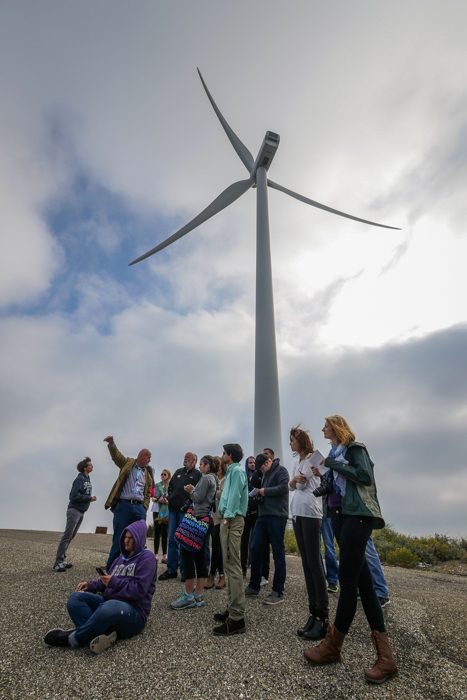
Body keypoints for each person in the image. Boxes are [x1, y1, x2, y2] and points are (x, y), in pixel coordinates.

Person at [304, 415, 397, 685]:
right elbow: (331, 486)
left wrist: (331, 463)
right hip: (340, 516)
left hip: (358, 516)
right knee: (364, 585)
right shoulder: (333, 454)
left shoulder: (355, 449)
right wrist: (319, 476)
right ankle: (386, 658)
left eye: (325, 425)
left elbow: (364, 476)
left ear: (336, 427)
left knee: (348, 581)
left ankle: (333, 647)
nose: (322, 429)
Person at [44, 520, 157, 654]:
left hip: (133, 613)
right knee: (75, 599)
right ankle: (102, 635)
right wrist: (90, 585)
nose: (126, 541)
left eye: (131, 538)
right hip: (109, 605)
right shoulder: (119, 559)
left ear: (139, 539)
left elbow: (139, 590)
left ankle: (72, 638)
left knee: (109, 607)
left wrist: (113, 582)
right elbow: (107, 580)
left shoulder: (147, 558)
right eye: (125, 537)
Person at [288, 426, 329, 639]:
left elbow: (327, 479)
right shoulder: (298, 462)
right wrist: (295, 480)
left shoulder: (315, 457)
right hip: (297, 513)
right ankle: (313, 613)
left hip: (312, 513)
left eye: (293, 440)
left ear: (302, 440)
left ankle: (323, 617)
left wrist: (313, 477)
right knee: (306, 564)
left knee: (315, 563)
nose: (291, 443)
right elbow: (291, 485)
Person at [170, 456, 217, 609]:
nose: (200, 467)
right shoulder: (215, 479)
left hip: (197, 518)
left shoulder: (205, 478)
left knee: (186, 554)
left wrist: (191, 490)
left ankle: (188, 595)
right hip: (207, 520)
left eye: (201, 464)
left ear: (207, 465)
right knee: (200, 556)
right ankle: (198, 594)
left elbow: (198, 497)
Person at [103, 436, 154, 570]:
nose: (149, 460)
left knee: (138, 540)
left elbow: (148, 492)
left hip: (139, 509)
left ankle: (134, 569)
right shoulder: (128, 463)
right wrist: (112, 444)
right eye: (148, 458)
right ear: (142, 456)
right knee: (119, 538)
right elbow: (116, 456)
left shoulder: (148, 474)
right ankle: (110, 570)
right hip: (124, 506)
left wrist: (145, 506)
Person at [212, 443, 248, 636]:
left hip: (232, 520)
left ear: (230, 455)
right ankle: (231, 607)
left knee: (233, 566)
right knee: (228, 565)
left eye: (224, 453)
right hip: (229, 519)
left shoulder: (237, 472)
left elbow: (234, 495)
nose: (222, 455)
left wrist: (227, 517)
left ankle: (237, 618)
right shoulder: (233, 472)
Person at [245, 452, 289, 605]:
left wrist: (264, 491)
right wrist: (258, 496)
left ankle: (278, 591)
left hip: (277, 516)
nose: (261, 471)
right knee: (255, 548)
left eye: (262, 467)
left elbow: (284, 488)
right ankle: (254, 585)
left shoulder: (281, 470)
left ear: (268, 462)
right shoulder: (264, 475)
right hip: (263, 516)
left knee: (278, 552)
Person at [159, 452, 201, 581]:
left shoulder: (198, 475)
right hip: (172, 510)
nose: (185, 459)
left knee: (184, 541)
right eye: (184, 457)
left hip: (186, 512)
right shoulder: (178, 472)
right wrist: (169, 498)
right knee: (172, 540)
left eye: (188, 458)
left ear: (194, 461)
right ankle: (171, 570)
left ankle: (185, 571)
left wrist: (188, 504)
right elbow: (170, 487)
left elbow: (198, 492)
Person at [53, 457, 97, 572]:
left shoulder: (88, 479)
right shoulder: (79, 479)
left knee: (71, 537)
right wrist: (89, 498)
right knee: (67, 536)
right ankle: (58, 563)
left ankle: (62, 560)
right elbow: (73, 496)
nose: (92, 466)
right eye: (90, 465)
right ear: (85, 468)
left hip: (81, 512)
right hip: (74, 511)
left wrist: (88, 499)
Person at [206, 457, 226, 590]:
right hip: (214, 517)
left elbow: (224, 495)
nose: (217, 469)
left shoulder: (226, 480)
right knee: (216, 547)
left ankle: (218, 575)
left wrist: (213, 492)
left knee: (219, 547)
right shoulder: (214, 479)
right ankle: (216, 574)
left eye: (219, 466)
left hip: (223, 516)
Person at [152, 469, 171, 563]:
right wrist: (159, 499)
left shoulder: (171, 486)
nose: (162, 475)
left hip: (166, 512)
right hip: (157, 511)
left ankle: (164, 556)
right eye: (161, 474)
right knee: (157, 533)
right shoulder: (157, 485)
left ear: (169, 476)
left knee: (165, 533)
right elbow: (154, 497)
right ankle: (155, 555)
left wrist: (168, 501)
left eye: (164, 474)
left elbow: (173, 497)